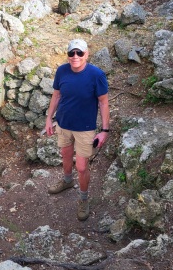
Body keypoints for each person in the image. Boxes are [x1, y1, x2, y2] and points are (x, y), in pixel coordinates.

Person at [45, 39, 110, 221]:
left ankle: (83, 198)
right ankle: (67, 181)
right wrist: (49, 118)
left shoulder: (96, 75)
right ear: (67, 55)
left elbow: (103, 102)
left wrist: (104, 130)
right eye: (72, 53)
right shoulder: (62, 71)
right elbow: (57, 95)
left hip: (85, 128)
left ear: (86, 54)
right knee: (65, 156)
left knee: (81, 167)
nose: (75, 56)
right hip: (64, 124)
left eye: (79, 53)